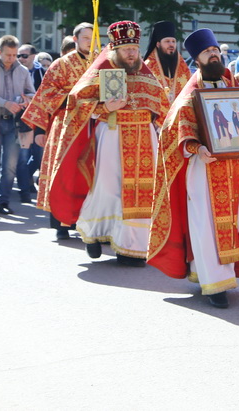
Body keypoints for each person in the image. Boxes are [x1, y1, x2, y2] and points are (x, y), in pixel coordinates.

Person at [47, 21, 169, 265]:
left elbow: (162, 106)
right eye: (127, 49)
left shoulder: (145, 73)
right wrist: (103, 107)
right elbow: (76, 102)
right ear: (115, 49)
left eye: (134, 48)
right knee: (107, 190)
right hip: (113, 135)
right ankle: (93, 235)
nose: (132, 53)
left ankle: (131, 248)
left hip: (144, 139)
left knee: (143, 194)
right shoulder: (102, 68)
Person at [148, 28, 239, 308]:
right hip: (203, 167)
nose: (214, 55)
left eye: (216, 51)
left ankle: (216, 273)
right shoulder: (191, 92)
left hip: (234, 166)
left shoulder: (231, 86)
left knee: (234, 220)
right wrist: (196, 148)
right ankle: (213, 283)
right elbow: (177, 130)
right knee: (206, 224)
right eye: (208, 53)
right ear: (198, 60)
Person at [21, 22, 95, 240]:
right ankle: (61, 223)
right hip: (65, 126)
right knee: (64, 172)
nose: (89, 43)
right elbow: (46, 95)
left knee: (90, 173)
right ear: (75, 39)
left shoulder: (101, 64)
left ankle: (85, 222)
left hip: (94, 125)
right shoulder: (61, 64)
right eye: (85, 38)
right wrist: (75, 97)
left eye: (93, 39)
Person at [0, 35, 35, 214]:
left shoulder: (23, 71)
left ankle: (3, 201)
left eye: (14, 55)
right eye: (8, 55)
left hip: (14, 124)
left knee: (10, 165)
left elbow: (32, 93)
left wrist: (26, 100)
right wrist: (5, 103)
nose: (12, 58)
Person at [16, 44, 46, 203]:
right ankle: (24, 188)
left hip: (39, 119)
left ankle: (27, 180)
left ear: (34, 56)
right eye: (19, 55)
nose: (20, 59)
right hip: (23, 120)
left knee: (39, 155)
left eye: (24, 56)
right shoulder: (16, 70)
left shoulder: (42, 72)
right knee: (23, 155)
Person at [143, 20, 190, 103]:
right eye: (167, 41)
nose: (171, 45)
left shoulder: (183, 66)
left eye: (173, 41)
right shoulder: (148, 66)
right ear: (158, 44)